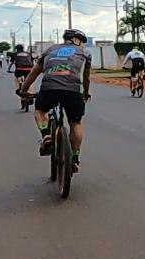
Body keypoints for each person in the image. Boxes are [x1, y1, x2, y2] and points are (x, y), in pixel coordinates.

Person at [18, 29, 91, 173]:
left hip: (49, 88)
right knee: (75, 123)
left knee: (39, 111)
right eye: (81, 41)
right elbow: (86, 77)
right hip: (73, 91)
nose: (81, 44)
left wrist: (23, 90)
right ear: (76, 40)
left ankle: (46, 135)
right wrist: (86, 93)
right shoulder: (85, 53)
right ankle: (74, 158)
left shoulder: (50, 50)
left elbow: (34, 72)